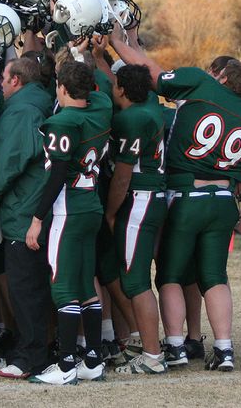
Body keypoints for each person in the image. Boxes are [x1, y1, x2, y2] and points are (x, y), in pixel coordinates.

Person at [110, 31, 241, 372]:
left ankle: (174, 347)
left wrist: (116, 41)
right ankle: (225, 349)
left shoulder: (202, 84)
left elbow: (149, 70)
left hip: (186, 195)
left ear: (224, 78)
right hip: (224, 199)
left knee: (169, 274)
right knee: (214, 275)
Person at [25, 61, 113, 385]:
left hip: (69, 209)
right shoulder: (101, 107)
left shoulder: (62, 122)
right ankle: (92, 359)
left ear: (61, 88)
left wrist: (36, 220)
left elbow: (57, 177)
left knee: (63, 285)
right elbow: (101, 90)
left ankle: (65, 366)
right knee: (85, 281)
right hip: (92, 206)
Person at [0, 57, 53, 379]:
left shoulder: (24, 111)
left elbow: (10, 159)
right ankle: (36, 348)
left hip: (24, 207)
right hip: (35, 203)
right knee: (32, 286)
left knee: (26, 287)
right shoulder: (39, 101)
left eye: (5, 79)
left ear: (15, 81)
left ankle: (30, 357)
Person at [103, 64, 168, 375]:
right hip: (153, 198)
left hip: (140, 200)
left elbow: (122, 177)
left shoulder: (131, 118)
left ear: (122, 89)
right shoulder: (152, 107)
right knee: (132, 275)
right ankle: (146, 345)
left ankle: (153, 355)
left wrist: (111, 212)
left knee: (136, 280)